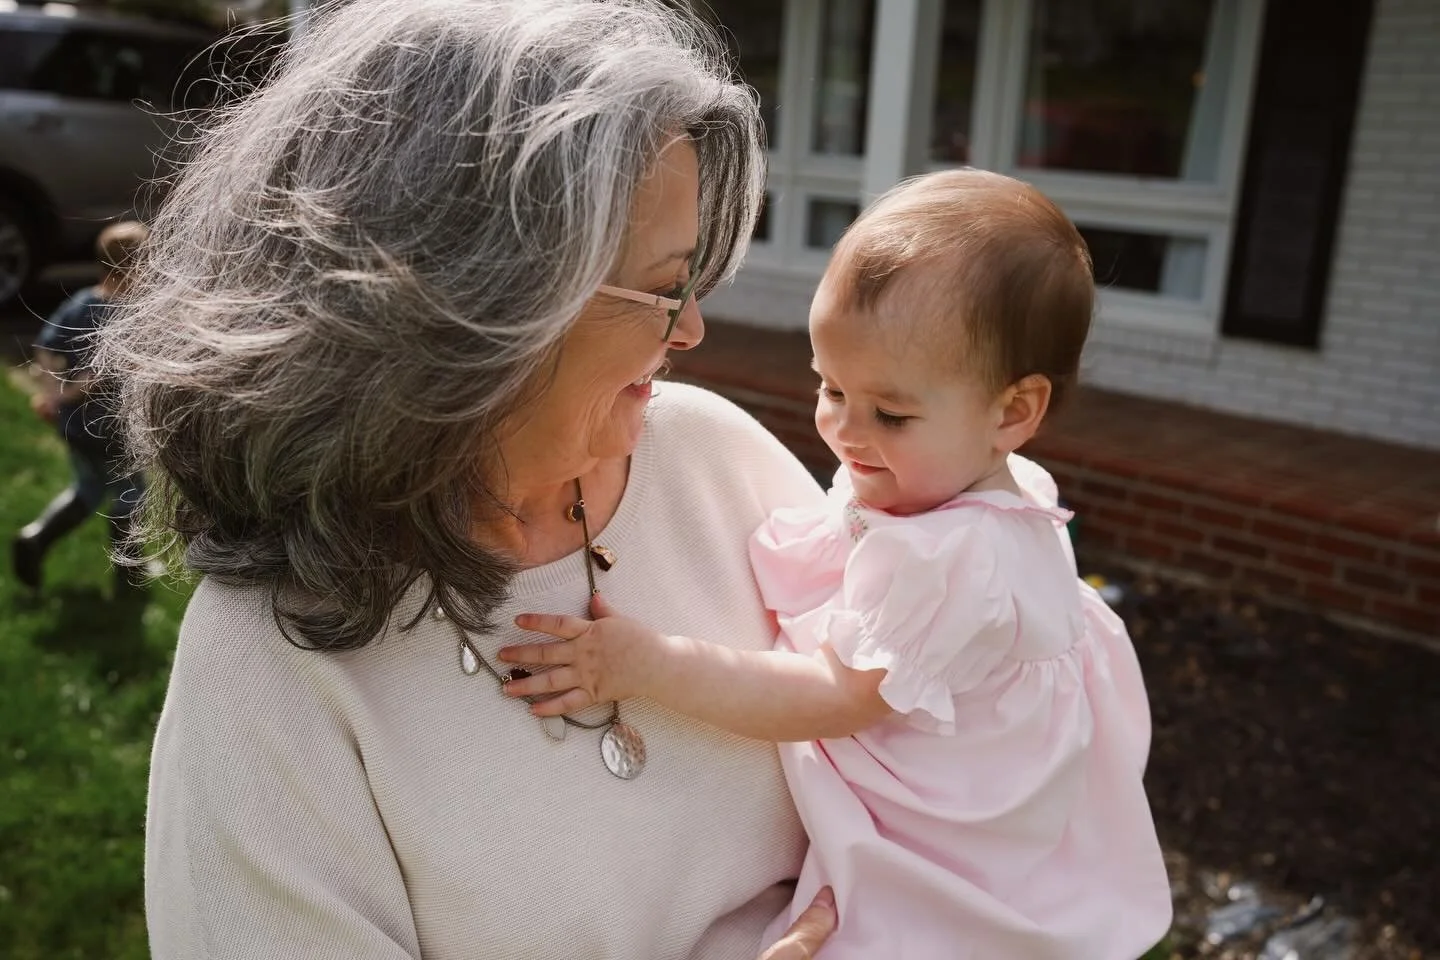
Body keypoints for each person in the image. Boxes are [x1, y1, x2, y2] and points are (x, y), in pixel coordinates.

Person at [93, 1, 836, 957]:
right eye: (661, 287)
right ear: (479, 310)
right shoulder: (268, 661)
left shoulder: (716, 461)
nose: (689, 329)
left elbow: (943, 743)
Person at [500, 170, 1175, 958]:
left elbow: (829, 696)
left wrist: (651, 664)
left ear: (1014, 412)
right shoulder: (966, 482)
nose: (846, 432)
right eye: (829, 387)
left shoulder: (949, 558)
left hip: (948, 853)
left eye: (890, 412)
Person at [13, 220, 150, 591]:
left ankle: (35, 538)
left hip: (76, 427)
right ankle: (130, 576)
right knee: (130, 494)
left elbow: (44, 348)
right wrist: (68, 392)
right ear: (138, 268)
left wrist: (51, 392)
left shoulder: (80, 303)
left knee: (88, 489)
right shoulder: (132, 314)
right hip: (112, 429)